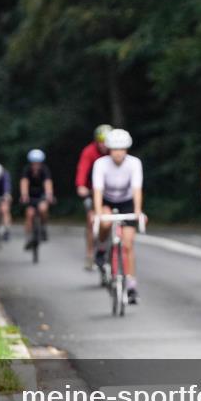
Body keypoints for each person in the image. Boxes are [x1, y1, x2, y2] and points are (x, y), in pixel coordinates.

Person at [92, 129, 145, 304]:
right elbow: (98, 190)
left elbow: (137, 188)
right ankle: (101, 248)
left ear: (127, 149)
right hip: (107, 200)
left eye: (122, 149)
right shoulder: (101, 163)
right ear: (108, 149)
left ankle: (130, 284)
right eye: (114, 149)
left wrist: (138, 211)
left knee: (128, 244)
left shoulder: (134, 163)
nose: (118, 153)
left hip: (127, 201)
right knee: (105, 223)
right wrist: (98, 213)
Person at [76, 124, 112, 269]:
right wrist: (81, 186)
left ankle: (113, 246)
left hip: (112, 193)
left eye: (106, 141)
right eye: (100, 141)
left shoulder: (115, 152)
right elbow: (82, 169)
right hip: (93, 191)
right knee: (92, 220)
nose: (103, 145)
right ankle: (90, 253)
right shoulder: (89, 151)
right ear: (96, 141)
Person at [19, 149, 54, 250]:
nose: (36, 165)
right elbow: (24, 183)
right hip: (30, 196)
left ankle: (43, 226)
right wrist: (24, 195)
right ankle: (29, 238)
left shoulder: (44, 170)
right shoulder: (27, 170)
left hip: (41, 195)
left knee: (43, 208)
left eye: (38, 163)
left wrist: (49, 195)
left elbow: (48, 183)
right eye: (34, 163)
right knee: (29, 214)